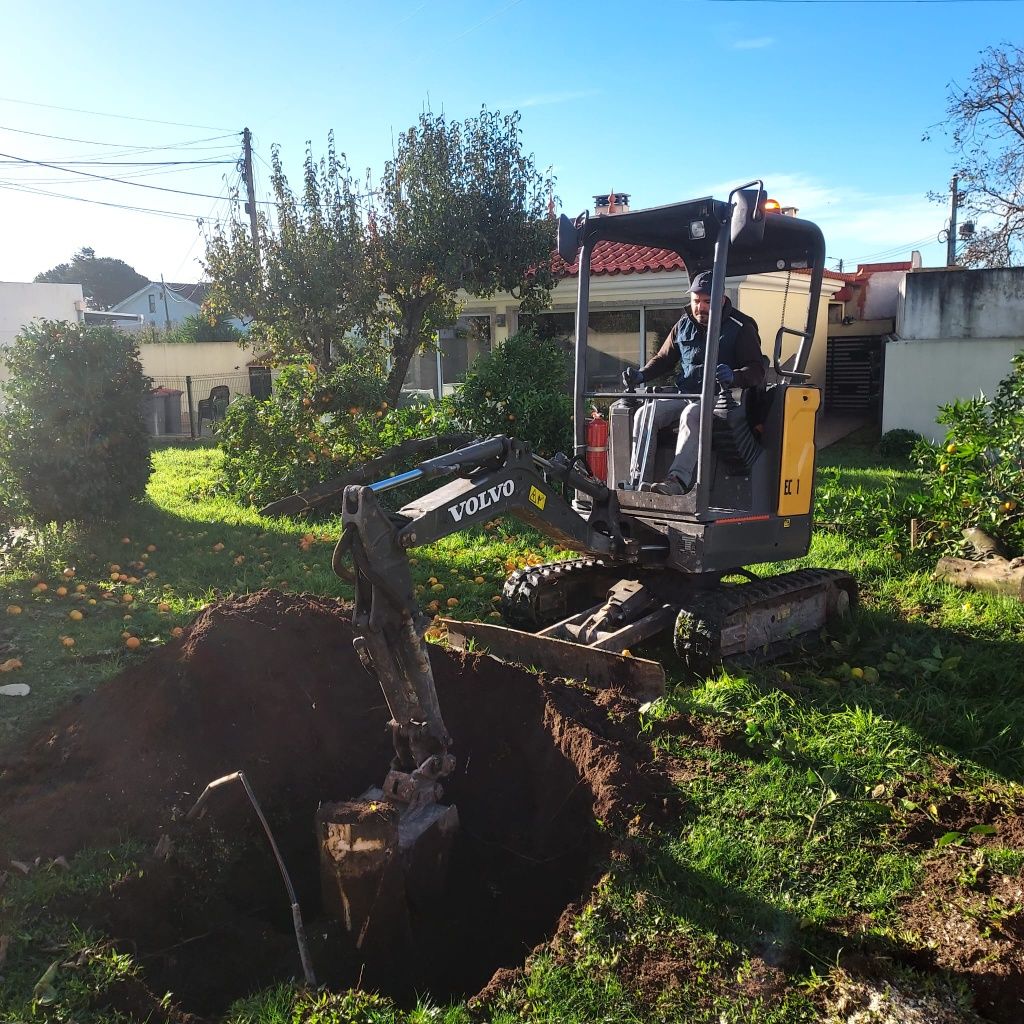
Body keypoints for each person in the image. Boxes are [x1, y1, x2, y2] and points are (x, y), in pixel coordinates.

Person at [621, 270, 765, 494]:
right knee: (646, 413)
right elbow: (663, 359)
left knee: (692, 414)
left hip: (722, 401)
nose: (701, 307)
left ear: (722, 298)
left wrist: (735, 376)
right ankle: (638, 482)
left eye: (707, 301)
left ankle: (676, 481)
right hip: (686, 394)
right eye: (696, 301)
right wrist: (641, 375)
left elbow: (757, 370)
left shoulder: (741, 327)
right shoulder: (683, 325)